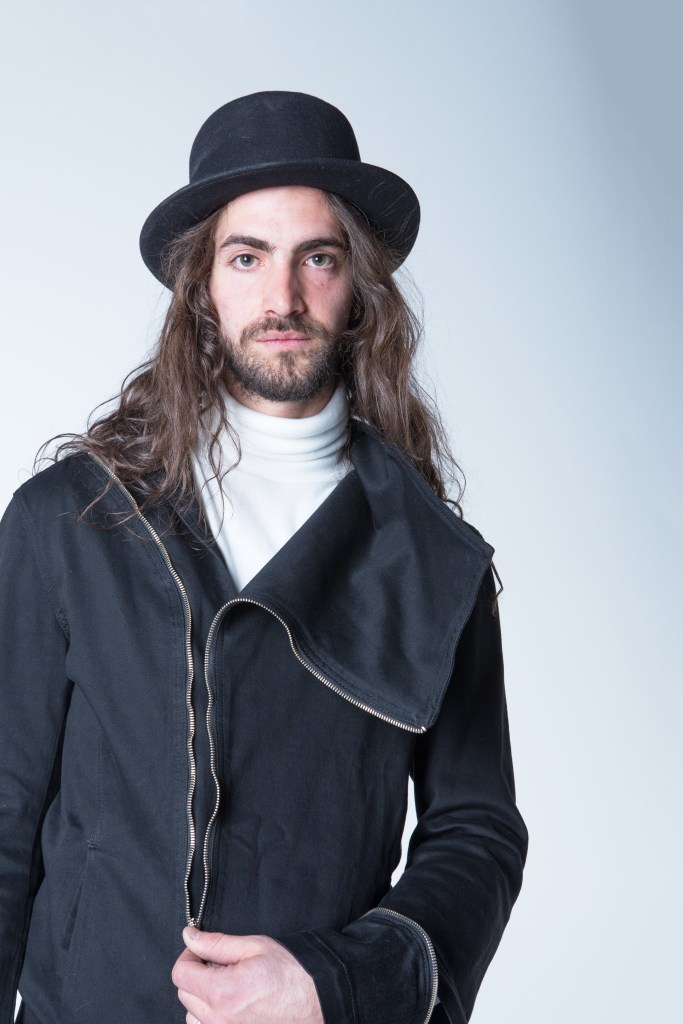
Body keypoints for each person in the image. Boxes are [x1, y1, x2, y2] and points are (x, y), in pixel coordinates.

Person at [0, 91, 527, 1024]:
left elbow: (476, 831)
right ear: (202, 284)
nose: (281, 299)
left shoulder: (434, 565)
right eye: (247, 258)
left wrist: (337, 981)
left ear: (357, 285)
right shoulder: (69, 522)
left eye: (316, 258)